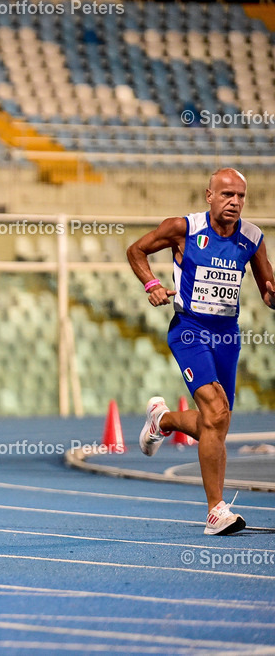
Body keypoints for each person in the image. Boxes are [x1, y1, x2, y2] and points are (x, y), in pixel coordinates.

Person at [127, 168, 275, 535]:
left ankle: (161, 421)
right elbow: (136, 250)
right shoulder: (184, 228)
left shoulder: (252, 238)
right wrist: (152, 283)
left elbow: (267, 288)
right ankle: (215, 511)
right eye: (227, 195)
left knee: (218, 423)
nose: (235, 202)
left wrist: (273, 296)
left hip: (227, 335)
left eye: (241, 196)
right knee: (215, 412)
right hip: (190, 330)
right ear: (209, 195)